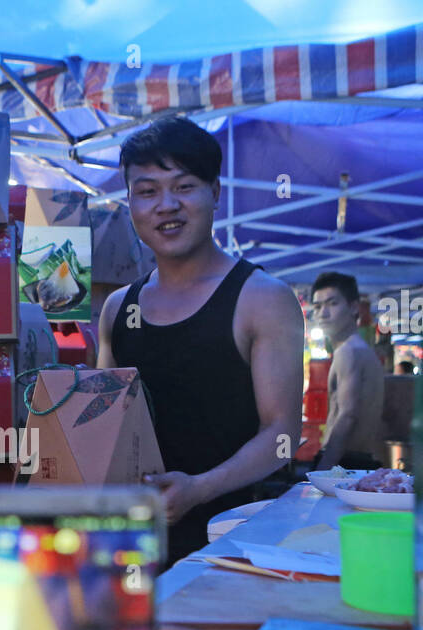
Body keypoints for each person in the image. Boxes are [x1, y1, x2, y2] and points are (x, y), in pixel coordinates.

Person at [98, 116, 304, 565]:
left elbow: (283, 433)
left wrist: (198, 488)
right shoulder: (118, 308)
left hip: (231, 548)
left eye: (184, 186)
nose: (166, 205)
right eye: (147, 191)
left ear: (214, 192)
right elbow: (103, 430)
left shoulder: (262, 298)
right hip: (125, 549)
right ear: (129, 203)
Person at [310, 272, 386, 471]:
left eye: (332, 304)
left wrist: (323, 471)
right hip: (359, 460)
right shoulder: (362, 351)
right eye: (317, 307)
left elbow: (347, 415)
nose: (322, 313)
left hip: (343, 462)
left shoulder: (348, 352)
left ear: (353, 307)